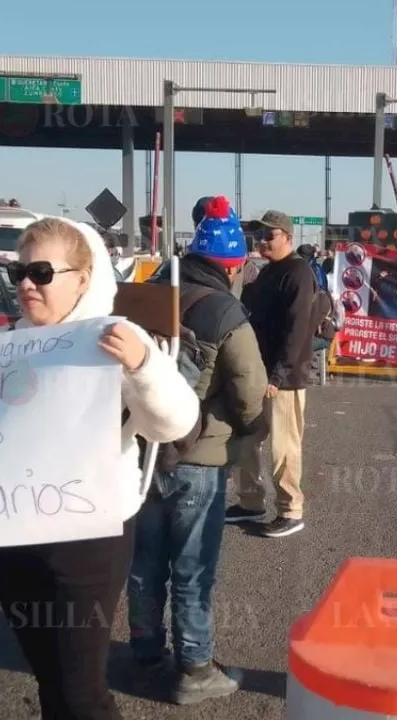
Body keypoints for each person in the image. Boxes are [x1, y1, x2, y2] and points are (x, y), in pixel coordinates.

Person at [0, 217, 199, 720]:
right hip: (10, 530)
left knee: (81, 690)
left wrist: (142, 365)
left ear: (83, 277)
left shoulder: (115, 337)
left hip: (87, 534)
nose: (27, 283)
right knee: (47, 674)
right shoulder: (6, 339)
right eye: (19, 272)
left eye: (42, 272)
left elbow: (174, 423)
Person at [127, 197, 268, 704]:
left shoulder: (144, 292)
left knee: (143, 565)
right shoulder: (225, 310)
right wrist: (255, 431)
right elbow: (250, 391)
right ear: (231, 264)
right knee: (192, 568)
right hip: (198, 459)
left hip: (140, 453)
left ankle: (144, 658)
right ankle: (195, 667)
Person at [226, 210, 317, 538]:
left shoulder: (298, 273)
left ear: (288, 238)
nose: (262, 241)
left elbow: (297, 330)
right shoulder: (266, 273)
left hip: (283, 380)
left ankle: (290, 510)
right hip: (257, 373)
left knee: (283, 447)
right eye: (259, 236)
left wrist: (278, 377)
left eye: (270, 235)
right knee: (247, 440)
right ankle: (251, 501)